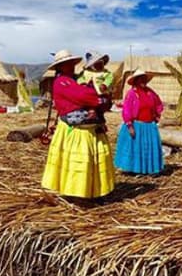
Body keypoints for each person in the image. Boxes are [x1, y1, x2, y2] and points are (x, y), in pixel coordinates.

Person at [40, 50, 115, 199]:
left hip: (90, 128)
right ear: (59, 67)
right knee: (79, 163)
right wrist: (102, 100)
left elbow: (103, 100)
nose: (71, 66)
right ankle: (77, 194)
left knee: (92, 162)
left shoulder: (77, 78)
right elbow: (84, 96)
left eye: (71, 63)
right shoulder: (62, 82)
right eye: (66, 64)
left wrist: (104, 100)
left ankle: (93, 191)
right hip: (76, 130)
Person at [114, 68, 165, 175]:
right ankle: (136, 169)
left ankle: (148, 169)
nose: (143, 81)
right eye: (141, 79)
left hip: (149, 125)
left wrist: (156, 115)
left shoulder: (150, 92)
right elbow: (126, 110)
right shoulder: (132, 93)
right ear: (136, 80)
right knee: (136, 148)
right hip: (136, 125)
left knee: (148, 148)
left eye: (144, 79)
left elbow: (158, 104)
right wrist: (129, 125)